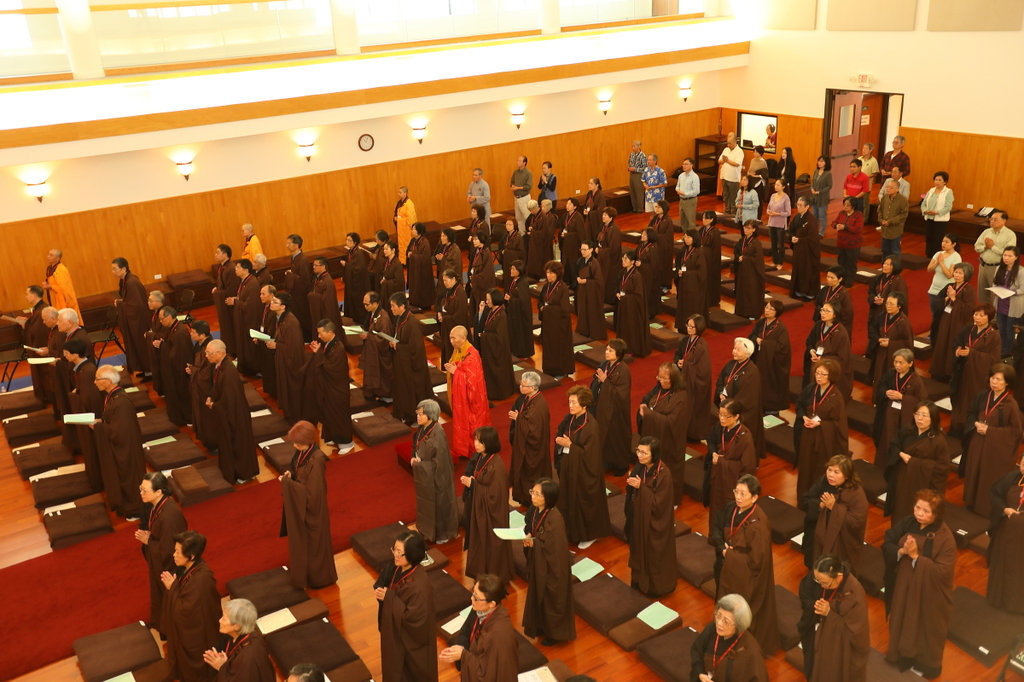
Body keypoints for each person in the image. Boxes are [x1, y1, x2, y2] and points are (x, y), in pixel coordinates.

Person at [883, 490, 955, 678]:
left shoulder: (945, 538)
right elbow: (888, 541)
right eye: (917, 507)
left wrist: (915, 556)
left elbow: (942, 572)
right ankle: (899, 655)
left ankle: (923, 665)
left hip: (927, 593)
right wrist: (901, 551)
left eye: (926, 511)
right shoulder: (908, 522)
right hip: (902, 585)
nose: (919, 513)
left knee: (923, 626)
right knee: (901, 617)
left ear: (936, 514)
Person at [710, 474, 780, 654]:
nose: (738, 497)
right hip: (726, 566)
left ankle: (737, 642)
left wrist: (729, 555)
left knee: (739, 610)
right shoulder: (732, 508)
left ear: (754, 497)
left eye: (743, 494)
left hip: (744, 576)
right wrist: (721, 547)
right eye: (736, 492)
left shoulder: (758, 524)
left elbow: (756, 562)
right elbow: (717, 525)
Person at [279, 420, 337, 590]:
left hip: (314, 513)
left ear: (306, 441)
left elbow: (313, 495)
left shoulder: (317, 459)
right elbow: (298, 472)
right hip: (304, 508)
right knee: (307, 545)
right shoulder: (303, 452)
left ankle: (320, 579)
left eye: (297, 442)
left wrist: (287, 484)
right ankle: (308, 576)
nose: (294, 445)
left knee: (314, 546)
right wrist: (291, 475)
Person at [375, 530, 437, 681]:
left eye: (399, 552)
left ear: (412, 554)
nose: (395, 555)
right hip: (396, 636)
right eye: (394, 549)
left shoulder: (420, 586)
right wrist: (384, 595)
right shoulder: (397, 567)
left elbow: (414, 621)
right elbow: (382, 583)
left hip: (412, 645)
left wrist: (389, 598)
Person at [797, 555, 870, 682]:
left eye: (825, 583)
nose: (822, 587)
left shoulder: (855, 593)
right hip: (823, 637)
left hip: (840, 647)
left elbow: (856, 633)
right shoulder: (826, 581)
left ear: (838, 575)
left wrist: (829, 613)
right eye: (819, 582)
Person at [962, 363, 1022, 517]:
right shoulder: (983, 396)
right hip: (978, 442)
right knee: (974, 470)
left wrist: (990, 431)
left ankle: (984, 508)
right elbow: (970, 413)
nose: (994, 382)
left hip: (995, 448)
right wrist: (975, 423)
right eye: (992, 378)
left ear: (1007, 383)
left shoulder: (1011, 404)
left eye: (999, 379)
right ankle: (970, 502)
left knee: (988, 475)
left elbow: (1016, 432)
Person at [555, 386, 610, 549]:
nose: (570, 405)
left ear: (584, 404)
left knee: (583, 503)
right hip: (569, 467)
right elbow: (561, 433)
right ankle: (571, 532)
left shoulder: (591, 426)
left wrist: (570, 446)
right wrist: (561, 443)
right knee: (568, 500)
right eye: (569, 402)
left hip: (585, 473)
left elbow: (590, 456)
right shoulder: (570, 418)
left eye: (574, 402)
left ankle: (589, 535)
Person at [161, 530, 220, 682]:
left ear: (192, 556)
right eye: (174, 550)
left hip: (201, 637)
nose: (174, 555)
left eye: (177, 552)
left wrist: (172, 588)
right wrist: (174, 588)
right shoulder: (190, 568)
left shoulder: (201, 579)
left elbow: (186, 612)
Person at [522, 478, 575, 645]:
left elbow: (554, 548)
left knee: (551, 600)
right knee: (538, 595)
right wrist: (530, 536)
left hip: (553, 568)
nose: (533, 496)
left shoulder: (555, 518)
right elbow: (533, 530)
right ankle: (540, 625)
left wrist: (535, 544)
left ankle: (555, 634)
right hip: (539, 563)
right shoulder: (535, 510)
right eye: (533, 492)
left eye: (538, 494)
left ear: (548, 498)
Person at [439, 574, 519, 679]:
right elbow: (466, 631)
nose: (472, 598)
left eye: (476, 597)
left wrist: (463, 655)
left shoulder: (498, 635)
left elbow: (486, 674)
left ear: (491, 604)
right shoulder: (481, 609)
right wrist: (459, 649)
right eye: (473, 593)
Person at [137, 472, 187, 635]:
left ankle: (168, 630)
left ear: (159, 492)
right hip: (159, 560)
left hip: (169, 567)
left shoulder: (170, 515)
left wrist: (149, 542)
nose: (141, 493)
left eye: (145, 490)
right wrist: (151, 538)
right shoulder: (156, 505)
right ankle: (160, 624)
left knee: (167, 597)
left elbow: (169, 551)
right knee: (158, 595)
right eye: (140, 489)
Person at [625, 437, 676, 597]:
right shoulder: (641, 466)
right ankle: (637, 579)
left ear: (654, 454)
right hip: (639, 518)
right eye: (638, 451)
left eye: (644, 453)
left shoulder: (664, 474)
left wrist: (641, 487)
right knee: (637, 548)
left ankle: (654, 588)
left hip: (654, 524)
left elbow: (659, 504)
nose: (639, 455)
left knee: (653, 554)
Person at [462, 426, 513, 584]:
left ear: (489, 443)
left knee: (490, 545)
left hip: (493, 515)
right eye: (475, 440)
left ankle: (493, 578)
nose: (476, 444)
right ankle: (481, 573)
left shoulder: (496, 465)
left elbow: (494, 496)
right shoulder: (481, 457)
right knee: (479, 542)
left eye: (480, 441)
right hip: (480, 510)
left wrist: (473, 485)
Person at [93, 365, 144, 519]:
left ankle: (135, 509)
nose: (95, 382)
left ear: (108, 381)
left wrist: (99, 426)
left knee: (129, 478)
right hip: (122, 447)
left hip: (126, 449)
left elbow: (120, 432)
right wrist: (101, 422)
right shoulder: (113, 396)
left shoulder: (121, 402)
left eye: (97, 379)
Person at [204, 339, 259, 483]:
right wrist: (211, 396)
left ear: (219, 353)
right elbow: (217, 388)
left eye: (209, 353)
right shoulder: (219, 366)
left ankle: (244, 473)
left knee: (238, 444)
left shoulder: (229, 372)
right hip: (227, 414)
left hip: (235, 416)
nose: (206, 356)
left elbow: (230, 401)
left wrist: (214, 405)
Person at [884, 401, 949, 520]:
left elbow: (942, 468)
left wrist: (913, 462)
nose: (919, 418)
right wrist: (900, 454)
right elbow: (894, 445)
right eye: (917, 414)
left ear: (933, 418)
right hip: (902, 479)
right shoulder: (907, 430)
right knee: (899, 509)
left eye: (924, 415)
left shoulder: (938, 441)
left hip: (922, 484)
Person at [800, 455, 867, 570]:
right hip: (816, 535)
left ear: (846, 475)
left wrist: (834, 508)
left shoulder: (855, 493)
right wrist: (820, 505)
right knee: (813, 565)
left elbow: (857, 521)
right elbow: (805, 500)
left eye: (836, 472)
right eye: (829, 469)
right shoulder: (824, 481)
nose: (830, 475)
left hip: (839, 542)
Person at [637, 363, 690, 507]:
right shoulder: (659, 388)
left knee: (670, 472)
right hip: (656, 437)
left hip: (671, 442)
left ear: (674, 379)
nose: (661, 381)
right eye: (659, 377)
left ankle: (671, 501)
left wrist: (649, 414)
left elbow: (671, 422)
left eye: (665, 378)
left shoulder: (681, 396)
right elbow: (647, 399)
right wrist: (643, 405)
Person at [409, 400, 459, 545]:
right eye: (417, 413)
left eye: (421, 414)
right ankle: (425, 530)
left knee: (439, 507)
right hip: (425, 477)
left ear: (430, 415)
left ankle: (442, 534)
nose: (418, 417)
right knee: (425, 504)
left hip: (438, 480)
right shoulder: (422, 429)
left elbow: (441, 465)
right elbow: (415, 446)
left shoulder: (438, 434)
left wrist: (420, 464)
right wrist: (413, 457)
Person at [796, 359, 849, 497]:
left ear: (831, 376)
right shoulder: (811, 388)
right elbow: (800, 405)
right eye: (817, 373)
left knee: (818, 468)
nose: (818, 377)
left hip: (824, 439)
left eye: (823, 374)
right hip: (808, 433)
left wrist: (820, 424)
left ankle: (816, 498)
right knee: (805, 466)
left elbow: (839, 424)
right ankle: (803, 496)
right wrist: (803, 417)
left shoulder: (836, 396)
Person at [690, 594, 768, 682]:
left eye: (726, 621)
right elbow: (696, 649)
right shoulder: (712, 628)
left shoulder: (751, 651)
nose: (719, 623)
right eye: (718, 616)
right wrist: (700, 673)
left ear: (739, 624)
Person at [950, 303, 1001, 435]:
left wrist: (971, 354)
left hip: (978, 376)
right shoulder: (968, 329)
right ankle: (957, 426)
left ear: (989, 318)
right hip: (963, 371)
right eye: (976, 314)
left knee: (973, 401)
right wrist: (957, 350)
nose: (977, 317)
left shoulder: (994, 336)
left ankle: (970, 430)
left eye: (981, 315)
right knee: (959, 399)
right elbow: (956, 342)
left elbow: (993, 359)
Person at [304, 320, 353, 451]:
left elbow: (331, 368)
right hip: (329, 386)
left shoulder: (338, 348)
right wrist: (318, 351)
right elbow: (325, 360)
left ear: (330, 332)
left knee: (338, 415)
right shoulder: (329, 344)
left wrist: (318, 353)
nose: (319, 336)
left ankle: (346, 443)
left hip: (337, 389)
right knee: (329, 413)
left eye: (321, 333)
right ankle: (334, 437)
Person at [705, 399, 757, 518]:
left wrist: (721, 461)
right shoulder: (720, 426)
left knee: (729, 512)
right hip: (717, 476)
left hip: (732, 482)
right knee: (715, 510)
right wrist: (713, 453)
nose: (722, 419)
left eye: (726, 416)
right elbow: (711, 439)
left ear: (736, 416)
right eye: (720, 414)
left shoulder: (745, 436)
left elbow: (747, 467)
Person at [446, 325, 492, 460]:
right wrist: (453, 369)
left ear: (463, 338)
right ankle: (462, 449)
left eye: (454, 338)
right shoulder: (458, 350)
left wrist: (456, 372)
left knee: (473, 424)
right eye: (450, 338)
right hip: (462, 397)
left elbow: (473, 382)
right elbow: (459, 366)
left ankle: (475, 450)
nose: (451, 341)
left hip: (473, 400)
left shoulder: (472, 355)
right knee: (461, 422)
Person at [872, 349, 928, 460]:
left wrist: (902, 397)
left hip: (904, 417)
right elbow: (880, 387)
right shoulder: (890, 374)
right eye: (895, 362)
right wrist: (885, 392)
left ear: (910, 363)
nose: (897, 365)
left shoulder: (916, 380)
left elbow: (921, 401)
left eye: (901, 363)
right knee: (885, 438)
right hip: (888, 414)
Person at [715, 337, 764, 459]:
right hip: (726, 404)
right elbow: (721, 380)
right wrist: (721, 393)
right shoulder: (731, 364)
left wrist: (728, 404)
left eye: (738, 350)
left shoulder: (752, 371)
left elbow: (747, 397)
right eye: (734, 348)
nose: (734, 351)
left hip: (742, 412)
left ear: (747, 354)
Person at [202, 599, 275, 681]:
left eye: (224, 618)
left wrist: (221, 667)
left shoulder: (248, 657)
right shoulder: (234, 635)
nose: (220, 620)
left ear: (237, 626)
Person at [987, 456, 1024, 613]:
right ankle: (997, 599)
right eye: (1023, 464)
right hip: (1006, 530)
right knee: (1001, 562)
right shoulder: (1014, 477)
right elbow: (995, 493)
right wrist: (1004, 509)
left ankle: (1016, 605)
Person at [508, 372, 551, 506]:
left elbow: (533, 430)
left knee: (530, 472)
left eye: (523, 385)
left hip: (534, 449)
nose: (520, 387)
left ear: (533, 388)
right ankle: (523, 495)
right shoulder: (527, 398)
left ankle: (529, 498)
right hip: (526, 445)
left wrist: (518, 418)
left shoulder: (539, 405)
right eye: (521, 384)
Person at [389, 293, 432, 425]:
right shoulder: (400, 318)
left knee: (411, 391)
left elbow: (416, 349)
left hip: (412, 367)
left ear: (402, 306)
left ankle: (413, 417)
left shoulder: (412, 323)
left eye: (393, 306)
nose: (391, 309)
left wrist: (397, 346)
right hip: (402, 363)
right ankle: (403, 413)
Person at [591, 338, 632, 474]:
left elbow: (621, 394)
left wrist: (605, 381)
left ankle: (621, 465)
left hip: (616, 411)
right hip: (602, 407)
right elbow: (596, 380)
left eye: (610, 350)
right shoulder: (605, 364)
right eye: (607, 349)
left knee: (616, 439)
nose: (607, 352)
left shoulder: (623, 370)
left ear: (619, 353)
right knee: (604, 436)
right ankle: (606, 461)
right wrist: (599, 381)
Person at [931, 262, 976, 381]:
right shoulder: (950, 285)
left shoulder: (969, 289)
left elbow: (969, 310)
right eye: (956, 272)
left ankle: (950, 373)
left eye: (960, 273)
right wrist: (946, 298)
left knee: (952, 343)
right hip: (946, 319)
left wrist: (954, 298)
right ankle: (939, 371)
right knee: (942, 343)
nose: (957, 275)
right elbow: (937, 301)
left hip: (958, 322)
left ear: (966, 275)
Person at [267, 292, 306, 423]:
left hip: (291, 363)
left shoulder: (291, 322)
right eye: (272, 300)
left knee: (291, 389)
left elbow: (294, 347)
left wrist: (276, 346)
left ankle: (295, 416)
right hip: (283, 359)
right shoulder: (280, 318)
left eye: (275, 302)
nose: (271, 303)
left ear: (283, 306)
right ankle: (289, 413)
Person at [153, 306, 193, 426]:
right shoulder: (173, 328)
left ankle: (187, 418)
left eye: (162, 319)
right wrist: (163, 344)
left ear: (169, 317)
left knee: (183, 393)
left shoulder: (180, 332)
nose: (160, 322)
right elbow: (171, 346)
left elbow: (178, 354)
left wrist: (162, 346)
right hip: (176, 368)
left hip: (181, 370)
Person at [675, 314, 713, 441]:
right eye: (688, 325)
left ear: (699, 328)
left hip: (695, 384)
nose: (689, 328)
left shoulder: (702, 345)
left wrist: (685, 365)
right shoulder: (685, 340)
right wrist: (678, 362)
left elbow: (703, 370)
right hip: (684, 379)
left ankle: (693, 434)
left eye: (692, 327)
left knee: (693, 409)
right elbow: (678, 354)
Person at [749, 300, 791, 415]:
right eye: (767, 307)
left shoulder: (781, 328)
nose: (767, 310)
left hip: (772, 363)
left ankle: (771, 408)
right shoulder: (761, 322)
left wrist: (764, 344)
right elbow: (752, 335)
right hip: (758, 359)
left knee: (770, 385)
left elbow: (783, 348)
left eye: (771, 309)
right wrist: (756, 339)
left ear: (777, 312)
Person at [805, 301, 853, 400]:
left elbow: (842, 358)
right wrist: (812, 351)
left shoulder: (841, 332)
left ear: (835, 314)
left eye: (827, 311)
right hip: (817, 365)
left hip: (830, 369)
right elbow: (809, 341)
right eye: (822, 310)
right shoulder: (819, 325)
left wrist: (823, 359)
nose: (823, 313)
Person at [112, 257, 152, 377]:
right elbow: (129, 300)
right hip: (134, 320)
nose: (113, 272)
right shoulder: (124, 280)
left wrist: (119, 304)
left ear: (124, 269)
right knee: (136, 345)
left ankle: (150, 371)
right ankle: (144, 369)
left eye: (115, 269)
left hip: (140, 320)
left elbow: (137, 305)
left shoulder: (132, 282)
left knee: (141, 345)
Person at [866, 256, 910, 360]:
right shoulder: (878, 278)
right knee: (874, 333)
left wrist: (885, 301)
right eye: (884, 264)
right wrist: (874, 298)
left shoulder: (898, 281)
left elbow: (901, 301)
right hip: (877, 311)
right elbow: (870, 292)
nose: (885, 266)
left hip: (889, 314)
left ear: (895, 266)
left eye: (889, 264)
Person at [475, 289, 515, 400]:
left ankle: (500, 393)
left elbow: (499, 337)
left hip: (498, 351)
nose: (486, 301)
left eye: (488, 299)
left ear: (494, 299)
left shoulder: (501, 315)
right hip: (490, 349)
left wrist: (484, 336)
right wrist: (481, 311)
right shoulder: (491, 311)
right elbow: (481, 324)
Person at [538, 261, 574, 378]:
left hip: (559, 325)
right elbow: (541, 301)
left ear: (557, 274)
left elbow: (564, 309)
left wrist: (547, 309)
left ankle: (560, 371)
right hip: (548, 323)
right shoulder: (546, 286)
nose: (548, 275)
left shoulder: (563, 288)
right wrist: (542, 307)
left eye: (551, 273)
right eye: (547, 273)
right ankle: (549, 369)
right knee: (548, 347)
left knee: (558, 348)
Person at [927, 232, 963, 342]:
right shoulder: (938, 253)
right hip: (933, 289)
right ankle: (935, 334)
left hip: (945, 290)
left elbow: (949, 275)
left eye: (947, 242)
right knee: (935, 314)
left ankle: (937, 335)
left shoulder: (956, 257)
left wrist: (941, 263)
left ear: (954, 244)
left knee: (942, 315)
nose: (943, 244)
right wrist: (937, 262)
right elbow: (929, 269)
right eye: (943, 241)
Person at [870, 293, 913, 386]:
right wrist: (878, 339)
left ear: (899, 306)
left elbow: (907, 344)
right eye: (887, 303)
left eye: (891, 304)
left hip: (894, 357)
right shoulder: (882, 316)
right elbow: (872, 329)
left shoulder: (904, 322)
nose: (888, 306)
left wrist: (891, 343)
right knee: (879, 378)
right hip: (881, 353)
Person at [975, 211, 1017, 306]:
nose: (992, 221)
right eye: (991, 219)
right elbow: (976, 247)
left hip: (997, 267)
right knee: (982, 292)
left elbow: (1009, 254)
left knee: (995, 293)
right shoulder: (986, 232)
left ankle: (993, 314)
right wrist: (985, 247)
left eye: (995, 220)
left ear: (1004, 221)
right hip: (983, 266)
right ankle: (983, 312)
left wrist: (992, 247)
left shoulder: (1010, 235)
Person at [615, 250, 651, 357]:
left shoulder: (637, 276)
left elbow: (638, 296)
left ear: (632, 262)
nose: (623, 260)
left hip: (633, 308)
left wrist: (625, 297)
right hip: (624, 305)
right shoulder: (623, 273)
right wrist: (617, 293)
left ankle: (631, 348)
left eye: (626, 258)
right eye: (623, 258)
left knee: (631, 328)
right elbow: (619, 286)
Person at [187, 321, 217, 450]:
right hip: (199, 386)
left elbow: (206, 373)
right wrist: (192, 368)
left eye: (193, 332)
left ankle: (213, 442)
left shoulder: (209, 349)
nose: (191, 334)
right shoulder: (199, 345)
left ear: (202, 335)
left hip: (207, 389)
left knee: (208, 417)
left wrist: (193, 370)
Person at [230, 259, 263, 376]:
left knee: (249, 345)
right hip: (242, 319)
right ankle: (244, 365)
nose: (235, 269)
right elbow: (244, 299)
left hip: (250, 321)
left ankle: (254, 368)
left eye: (238, 267)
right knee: (243, 343)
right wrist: (236, 300)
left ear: (246, 269)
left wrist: (235, 302)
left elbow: (251, 306)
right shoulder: (244, 281)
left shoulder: (252, 283)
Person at [360, 292, 393, 403]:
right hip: (373, 351)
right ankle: (374, 391)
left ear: (375, 303)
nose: (365, 307)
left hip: (381, 354)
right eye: (364, 304)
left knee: (382, 376)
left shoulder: (384, 318)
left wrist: (368, 337)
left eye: (367, 304)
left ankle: (385, 396)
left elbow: (384, 339)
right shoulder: (373, 313)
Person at [993, 246, 1024, 356]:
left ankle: (1007, 352)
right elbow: (995, 283)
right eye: (1005, 255)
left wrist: (1011, 292)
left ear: (1016, 257)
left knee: (1009, 330)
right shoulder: (999, 268)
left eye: (1010, 256)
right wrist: (995, 290)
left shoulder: (1021, 271)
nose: (1006, 258)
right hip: (1001, 303)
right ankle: (1000, 350)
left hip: (1013, 305)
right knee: (1001, 329)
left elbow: (1022, 289)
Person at [789, 196, 821, 300]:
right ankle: (799, 290)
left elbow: (813, 238)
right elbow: (791, 229)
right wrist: (792, 237)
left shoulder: (811, 220)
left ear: (807, 207)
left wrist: (800, 240)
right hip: (799, 250)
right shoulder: (797, 217)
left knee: (807, 270)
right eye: (797, 204)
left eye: (800, 205)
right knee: (798, 269)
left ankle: (809, 292)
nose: (798, 207)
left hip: (808, 252)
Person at [211, 244, 241, 356]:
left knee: (231, 328)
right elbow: (223, 286)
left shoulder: (231, 269)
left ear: (225, 254)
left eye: (218, 252)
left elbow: (231, 291)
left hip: (230, 306)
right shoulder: (222, 267)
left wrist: (217, 292)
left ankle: (234, 350)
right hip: (224, 304)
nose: (215, 255)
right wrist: (217, 289)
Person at [674, 229, 707, 330]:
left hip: (694, 286)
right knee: (683, 306)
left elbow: (701, 273)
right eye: (685, 237)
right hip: (684, 283)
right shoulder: (685, 250)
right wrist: (679, 271)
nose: (686, 239)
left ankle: (692, 328)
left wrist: (686, 274)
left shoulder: (699, 252)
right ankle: (682, 326)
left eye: (689, 237)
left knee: (691, 307)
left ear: (694, 238)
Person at [733, 220, 766, 320]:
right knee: (741, 290)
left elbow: (758, 259)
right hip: (742, 270)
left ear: (754, 229)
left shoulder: (756, 243)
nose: (746, 230)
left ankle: (752, 313)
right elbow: (736, 252)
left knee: (751, 292)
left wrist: (745, 259)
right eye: (745, 227)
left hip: (752, 273)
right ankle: (741, 311)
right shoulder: (742, 240)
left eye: (748, 228)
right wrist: (738, 257)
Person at [284, 234, 313, 340]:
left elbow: (304, 280)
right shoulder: (294, 257)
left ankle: (307, 337)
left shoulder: (302, 259)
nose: (287, 246)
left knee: (302, 315)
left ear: (296, 245)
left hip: (301, 295)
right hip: (295, 294)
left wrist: (290, 275)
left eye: (289, 243)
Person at [575, 241, 606, 340]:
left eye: (585, 249)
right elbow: (577, 273)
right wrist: (577, 278)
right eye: (581, 249)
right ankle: (583, 331)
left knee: (591, 312)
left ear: (591, 250)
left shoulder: (595, 263)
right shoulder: (580, 261)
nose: (582, 252)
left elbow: (599, 282)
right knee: (582, 310)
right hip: (582, 291)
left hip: (592, 293)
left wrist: (586, 281)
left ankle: (593, 333)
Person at [438, 269, 469, 367]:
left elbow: (460, 316)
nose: (444, 282)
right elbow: (443, 303)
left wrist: (445, 318)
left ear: (453, 279)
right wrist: (440, 313)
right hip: (448, 326)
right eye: (443, 280)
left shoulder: (460, 293)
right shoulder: (449, 290)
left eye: (446, 280)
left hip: (456, 330)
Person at [504, 261, 534, 359]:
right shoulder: (514, 280)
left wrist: (510, 299)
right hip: (514, 313)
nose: (511, 270)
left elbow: (523, 301)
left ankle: (523, 353)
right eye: (511, 268)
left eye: (513, 269)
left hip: (521, 315)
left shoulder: (523, 283)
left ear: (519, 270)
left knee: (521, 334)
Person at [813, 266, 854, 335]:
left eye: (832, 278)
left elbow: (847, 315)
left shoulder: (844, 294)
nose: (829, 279)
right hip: (823, 321)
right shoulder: (824, 289)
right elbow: (817, 303)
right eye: (828, 277)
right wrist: (822, 311)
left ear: (840, 279)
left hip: (835, 324)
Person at [832, 198, 862, 288]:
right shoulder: (841, 213)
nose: (845, 207)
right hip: (841, 243)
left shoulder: (858, 215)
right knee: (841, 263)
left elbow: (858, 229)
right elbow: (833, 222)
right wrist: (836, 225)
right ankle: (841, 280)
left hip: (853, 245)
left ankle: (849, 280)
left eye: (847, 205)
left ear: (853, 206)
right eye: (844, 204)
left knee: (851, 264)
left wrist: (845, 227)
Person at [921, 171, 954, 255]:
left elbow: (948, 207)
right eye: (936, 180)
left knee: (937, 239)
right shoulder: (931, 190)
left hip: (940, 220)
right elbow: (924, 203)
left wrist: (937, 212)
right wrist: (925, 210)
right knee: (929, 238)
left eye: (940, 180)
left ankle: (935, 256)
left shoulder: (948, 192)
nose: (937, 182)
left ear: (945, 182)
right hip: (929, 217)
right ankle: (928, 256)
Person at [344, 234, 373, 324]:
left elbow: (359, 269)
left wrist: (346, 265)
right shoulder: (350, 252)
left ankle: (362, 321)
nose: (347, 242)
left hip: (359, 283)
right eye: (346, 240)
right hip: (352, 282)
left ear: (355, 242)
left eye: (349, 240)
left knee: (358, 301)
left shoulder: (359, 254)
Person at [596, 207, 623, 305]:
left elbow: (614, 249)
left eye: (605, 215)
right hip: (602, 258)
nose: (603, 216)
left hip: (610, 261)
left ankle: (608, 300)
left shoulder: (614, 229)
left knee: (608, 281)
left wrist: (600, 251)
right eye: (603, 214)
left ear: (611, 217)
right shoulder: (603, 226)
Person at [404, 224, 433, 313]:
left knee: (422, 288)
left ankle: (424, 305)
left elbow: (425, 258)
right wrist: (409, 254)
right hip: (414, 269)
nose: (412, 231)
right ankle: (414, 303)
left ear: (419, 231)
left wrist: (412, 256)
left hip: (422, 271)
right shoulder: (413, 240)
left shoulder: (425, 242)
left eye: (414, 229)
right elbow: (408, 251)